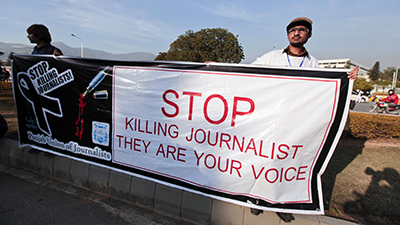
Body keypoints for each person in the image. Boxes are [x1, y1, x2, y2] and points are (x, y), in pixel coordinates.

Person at [252, 17, 358, 80]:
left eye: (302, 30)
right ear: (287, 35)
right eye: (292, 30)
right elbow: (247, 74)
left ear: (310, 35)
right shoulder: (272, 56)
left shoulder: (312, 63)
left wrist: (348, 77)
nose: (296, 33)